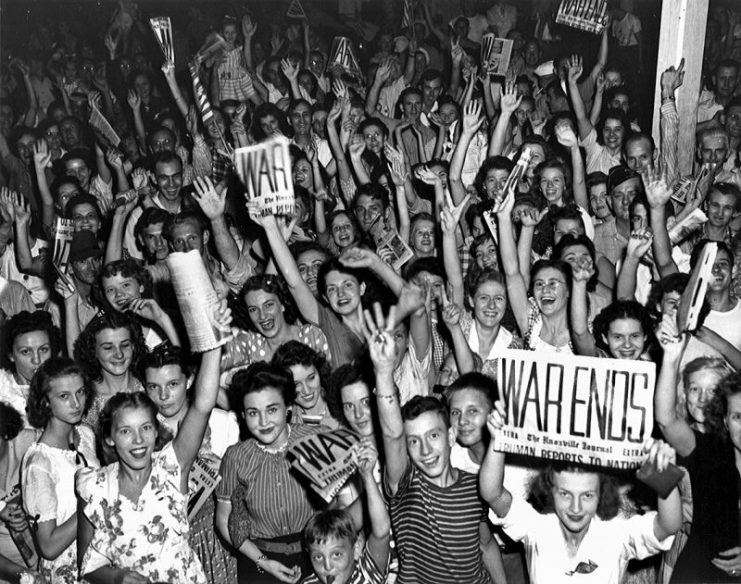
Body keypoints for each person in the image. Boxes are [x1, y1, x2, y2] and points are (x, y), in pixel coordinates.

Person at [480, 402, 682, 584]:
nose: (575, 508)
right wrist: (497, 441)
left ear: (601, 493)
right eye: (565, 494)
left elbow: (668, 525)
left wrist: (663, 474)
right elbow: (493, 494)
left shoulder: (615, 534)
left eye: (587, 495)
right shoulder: (537, 528)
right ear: (551, 489)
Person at [76, 340, 224, 583]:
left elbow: (202, 404)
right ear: (110, 438)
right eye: (125, 431)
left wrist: (214, 344)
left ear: (156, 432)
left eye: (145, 428)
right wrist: (117, 579)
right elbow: (88, 565)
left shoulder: (171, 467)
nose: (138, 440)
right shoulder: (93, 486)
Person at [367, 305, 494, 584]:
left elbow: (485, 545)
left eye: (433, 436)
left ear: (450, 437)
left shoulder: (476, 485)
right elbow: (391, 434)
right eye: (414, 441)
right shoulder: (406, 486)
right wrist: (384, 373)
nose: (425, 451)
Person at [215, 362, 323, 584]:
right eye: (253, 413)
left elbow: (342, 505)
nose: (263, 422)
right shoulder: (236, 457)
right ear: (243, 415)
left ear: (288, 407)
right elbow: (224, 520)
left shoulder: (314, 441)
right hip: (259, 561)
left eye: (272, 410)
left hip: (316, 554)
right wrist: (263, 561)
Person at [142, 343, 239, 584]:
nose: (163, 396)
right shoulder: (141, 435)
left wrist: (230, 475)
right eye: (154, 387)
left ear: (189, 380)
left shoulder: (224, 423)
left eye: (172, 385)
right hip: (169, 549)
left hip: (220, 540)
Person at [654, 315, 741, 583]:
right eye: (695, 389)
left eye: (712, 390)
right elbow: (665, 421)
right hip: (684, 555)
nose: (702, 399)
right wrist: (671, 357)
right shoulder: (704, 448)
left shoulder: (718, 443)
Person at [21, 358, 99, 584]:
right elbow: (49, 546)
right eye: (64, 396)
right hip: (66, 572)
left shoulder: (85, 434)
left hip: (96, 559)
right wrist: (95, 500)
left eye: (81, 392)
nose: (76, 403)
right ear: (45, 402)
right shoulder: (39, 463)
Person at [301, 439, 391, 584]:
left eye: (336, 554)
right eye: (318, 557)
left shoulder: (366, 576)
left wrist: (367, 476)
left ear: (355, 549)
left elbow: (381, 530)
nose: (327, 567)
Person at [73, 312, 146, 433]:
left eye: (125, 345)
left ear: (133, 346)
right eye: (108, 347)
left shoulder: (149, 385)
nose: (119, 354)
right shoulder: (86, 400)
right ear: (93, 351)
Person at [0, 311, 60, 426]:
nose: (37, 360)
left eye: (43, 350)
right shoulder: (2, 388)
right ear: (11, 355)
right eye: (26, 352)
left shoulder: (61, 385)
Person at [272, 341, 339, 428]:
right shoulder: (283, 419)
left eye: (311, 378)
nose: (306, 390)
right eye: (296, 384)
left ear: (320, 372)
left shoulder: (342, 407)